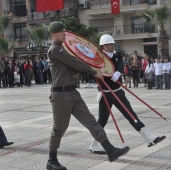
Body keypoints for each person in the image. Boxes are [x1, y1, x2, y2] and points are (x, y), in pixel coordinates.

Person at [47, 22, 130, 170]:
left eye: (65, 31)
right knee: (60, 128)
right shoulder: (55, 50)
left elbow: (74, 65)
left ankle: (109, 150)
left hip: (73, 92)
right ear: (53, 34)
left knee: (91, 121)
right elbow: (74, 62)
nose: (65, 34)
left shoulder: (63, 50)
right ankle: (52, 160)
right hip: (60, 95)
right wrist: (93, 71)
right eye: (61, 32)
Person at [89, 34, 165, 156]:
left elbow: (120, 64)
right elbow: (92, 73)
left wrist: (118, 72)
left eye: (113, 44)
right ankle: (94, 145)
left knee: (131, 115)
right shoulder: (98, 59)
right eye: (110, 44)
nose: (112, 46)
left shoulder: (117, 56)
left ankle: (149, 137)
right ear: (103, 46)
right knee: (102, 121)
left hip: (118, 92)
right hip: (106, 94)